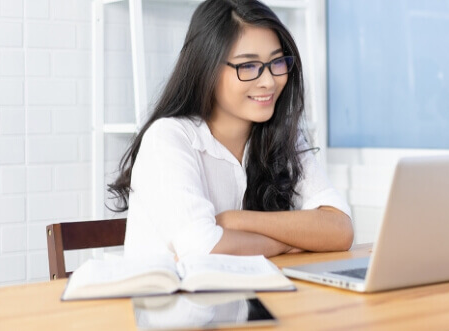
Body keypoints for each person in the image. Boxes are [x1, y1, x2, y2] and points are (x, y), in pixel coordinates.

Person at [108, 0, 353, 260]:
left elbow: (340, 230)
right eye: (248, 66)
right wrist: (287, 243)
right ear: (207, 68)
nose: (269, 81)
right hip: (177, 300)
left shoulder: (283, 136)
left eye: (278, 62)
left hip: (259, 299)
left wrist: (234, 220)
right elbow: (204, 249)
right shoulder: (169, 138)